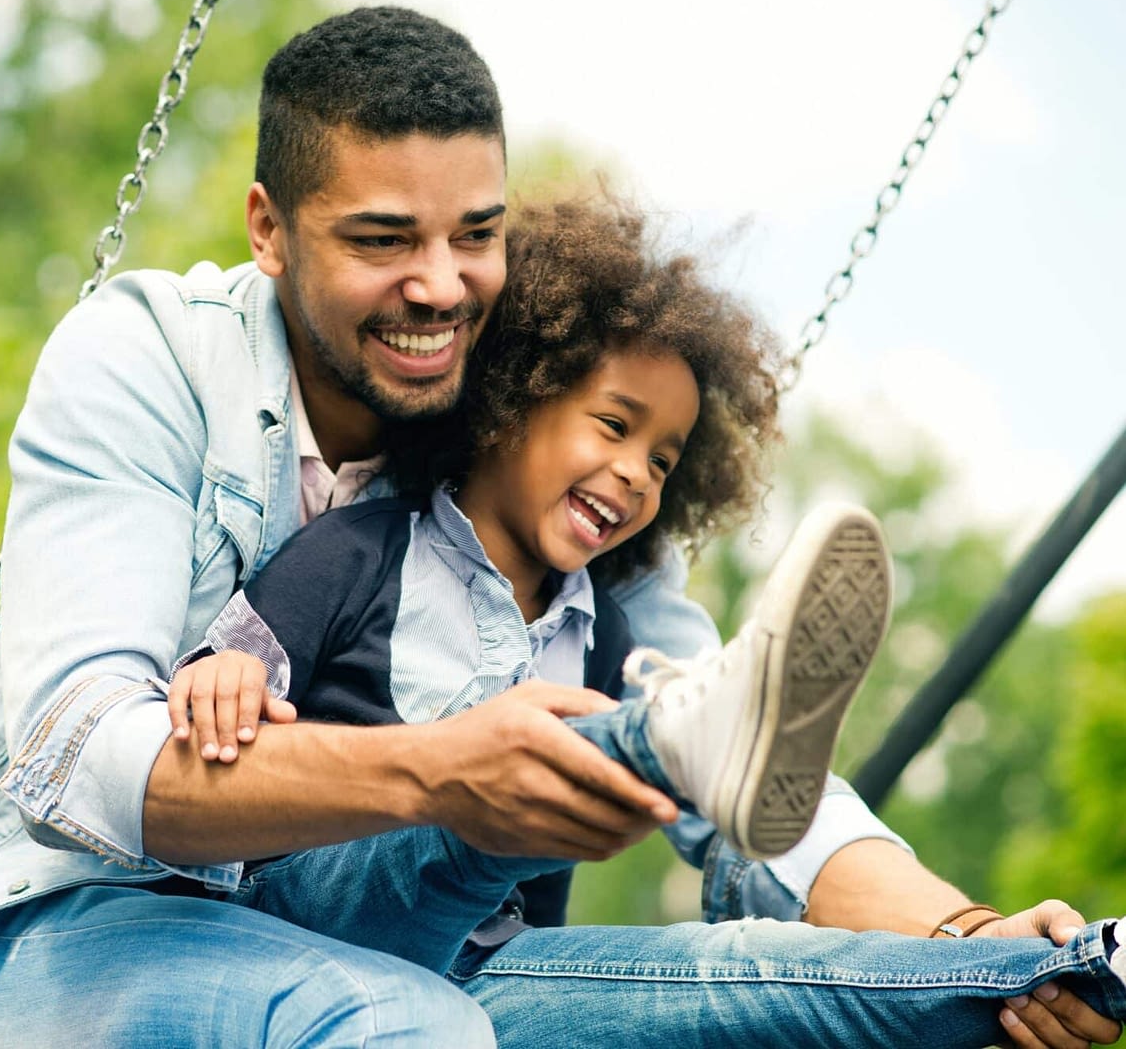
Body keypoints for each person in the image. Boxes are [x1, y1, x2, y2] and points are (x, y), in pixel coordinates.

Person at [0, 6, 1122, 1048]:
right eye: (382, 240)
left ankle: (1037, 975)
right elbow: (76, 763)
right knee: (419, 1021)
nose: (442, 287)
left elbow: (755, 781)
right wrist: (446, 768)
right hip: (68, 927)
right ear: (268, 229)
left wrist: (958, 931)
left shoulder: (530, 441)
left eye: (477, 236)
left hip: (408, 955)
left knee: (741, 987)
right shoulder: (148, 359)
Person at [158, 197, 1126, 1046]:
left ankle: (1066, 968)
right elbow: (223, 688)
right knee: (469, 804)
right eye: (613, 427)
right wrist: (224, 675)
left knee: (733, 981)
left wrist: (981, 940)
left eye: (663, 462)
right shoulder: (367, 550)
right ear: (508, 399)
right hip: (307, 936)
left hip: (486, 992)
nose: (635, 473)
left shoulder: (609, 641)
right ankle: (673, 738)